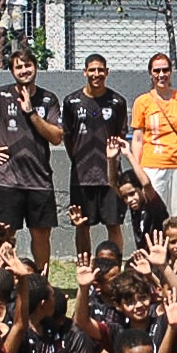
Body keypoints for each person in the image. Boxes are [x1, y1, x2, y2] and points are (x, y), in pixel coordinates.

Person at [0, 46, 64, 267]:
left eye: (28, 65)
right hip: (6, 179)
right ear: (12, 71)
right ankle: (6, 280)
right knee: (5, 235)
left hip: (39, 180)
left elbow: (57, 137)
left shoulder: (48, 99)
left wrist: (31, 113)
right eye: (18, 67)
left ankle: (40, 280)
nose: (24, 70)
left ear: (36, 67)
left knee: (41, 235)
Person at [62, 54, 130, 255]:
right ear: (85, 72)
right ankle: (85, 267)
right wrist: (77, 158)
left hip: (110, 178)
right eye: (92, 70)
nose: (96, 74)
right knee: (82, 225)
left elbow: (120, 136)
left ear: (107, 72)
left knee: (114, 224)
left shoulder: (117, 101)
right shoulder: (71, 101)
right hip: (81, 178)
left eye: (100, 70)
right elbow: (67, 136)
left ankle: (114, 267)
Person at [130, 53, 177, 222]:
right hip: (153, 166)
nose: (161, 75)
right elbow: (138, 139)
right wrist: (139, 172)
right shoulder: (142, 102)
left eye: (165, 70)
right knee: (155, 216)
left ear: (171, 71)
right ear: (150, 73)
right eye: (157, 71)